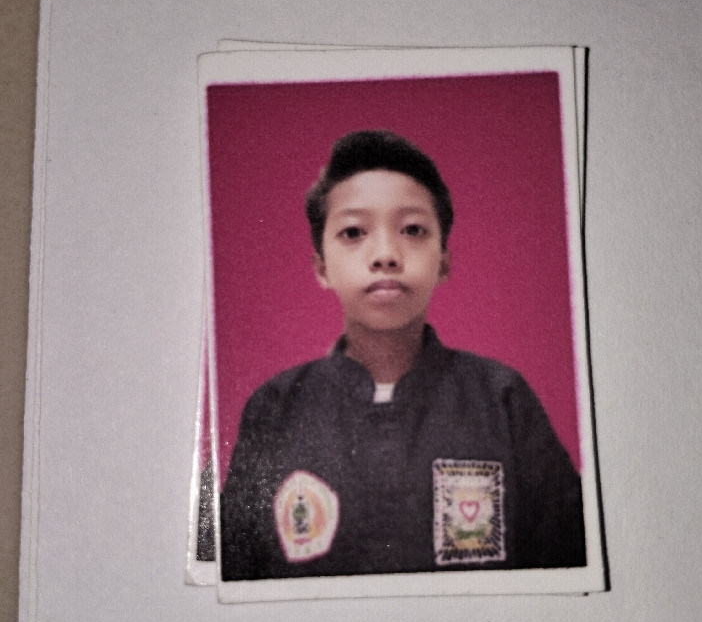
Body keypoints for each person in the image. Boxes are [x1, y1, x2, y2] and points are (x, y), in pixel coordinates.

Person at [220, 130, 585, 580]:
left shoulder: (501, 400)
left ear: (443, 260)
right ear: (321, 267)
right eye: (354, 232)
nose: (386, 255)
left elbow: (567, 564)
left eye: (412, 230)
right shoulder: (274, 409)